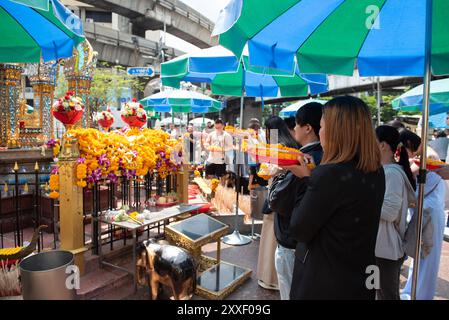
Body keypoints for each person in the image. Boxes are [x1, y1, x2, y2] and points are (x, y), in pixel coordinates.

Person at [285, 96, 385, 300]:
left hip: (325, 280)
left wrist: (306, 181)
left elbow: (298, 229)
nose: (320, 132)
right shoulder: (376, 170)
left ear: (336, 131)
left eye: (322, 126)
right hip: (360, 277)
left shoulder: (329, 174)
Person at [271, 103, 323, 300]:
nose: (293, 130)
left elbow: (277, 202)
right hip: (312, 244)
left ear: (308, 128)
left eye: (296, 125)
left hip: (292, 241)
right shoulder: (328, 156)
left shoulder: (302, 159)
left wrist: (276, 177)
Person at [399, 129, 446, 300]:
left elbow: (408, 175)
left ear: (409, 145)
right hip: (424, 212)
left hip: (430, 214)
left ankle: (421, 295)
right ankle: (412, 292)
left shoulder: (427, 156)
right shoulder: (419, 156)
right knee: (419, 257)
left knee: (428, 258)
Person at [374, 125, 417, 300]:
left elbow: (390, 212)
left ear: (383, 145)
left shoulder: (391, 174)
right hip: (381, 248)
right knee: (379, 293)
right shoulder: (386, 171)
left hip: (386, 250)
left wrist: (361, 201)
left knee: (387, 296)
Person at [256, 116, 298, 291]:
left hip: (276, 196)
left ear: (269, 131)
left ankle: (270, 278)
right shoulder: (293, 144)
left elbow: (267, 171)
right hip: (290, 199)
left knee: (272, 238)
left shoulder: (275, 145)